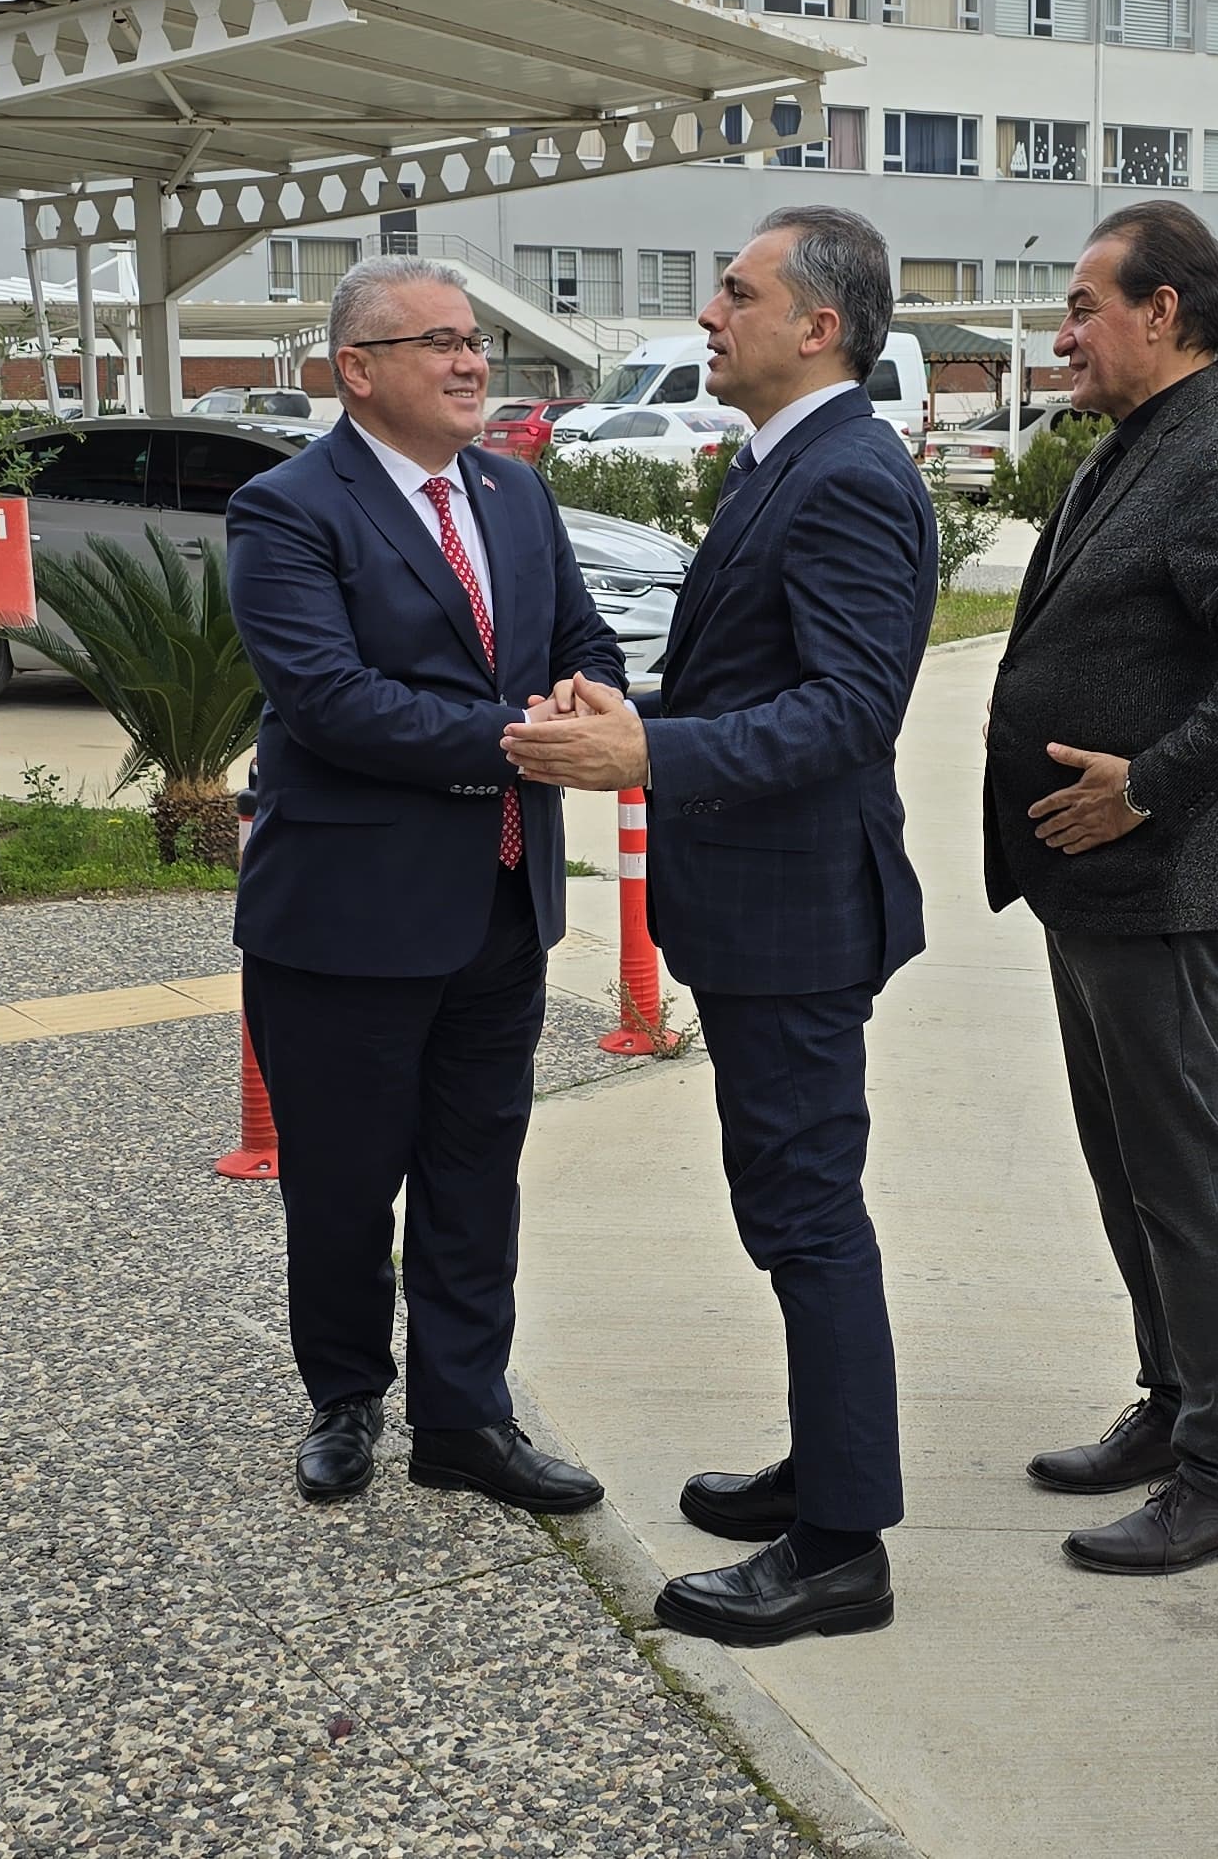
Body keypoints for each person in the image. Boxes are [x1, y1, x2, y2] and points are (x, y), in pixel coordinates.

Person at [505, 205, 936, 1647]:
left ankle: (841, 1549)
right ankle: (831, 1464)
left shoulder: (848, 476)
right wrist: (644, 718)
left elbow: (850, 710)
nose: (709, 317)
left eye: (735, 293)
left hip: (801, 914)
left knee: (808, 1217)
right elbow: (763, 673)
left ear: (820, 325)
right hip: (766, 908)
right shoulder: (787, 459)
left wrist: (655, 761)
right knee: (790, 1208)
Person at [226, 255, 628, 1517]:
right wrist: (526, 737)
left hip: (500, 908)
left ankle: (466, 1416)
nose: (470, 363)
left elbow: (581, 638)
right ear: (357, 369)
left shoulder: (515, 493)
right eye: (439, 342)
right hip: (349, 916)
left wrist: (589, 694)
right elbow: (332, 702)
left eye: (475, 343)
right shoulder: (287, 508)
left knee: (474, 1172)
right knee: (343, 1184)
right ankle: (345, 1396)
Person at [984, 200, 1218, 1576]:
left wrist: (1147, 783)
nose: (1065, 334)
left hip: (1162, 887)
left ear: (1163, 311)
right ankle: (1176, 1402)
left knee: (1188, 1178)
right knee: (1127, 1168)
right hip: (1095, 891)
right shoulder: (1143, 444)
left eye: (1083, 307)